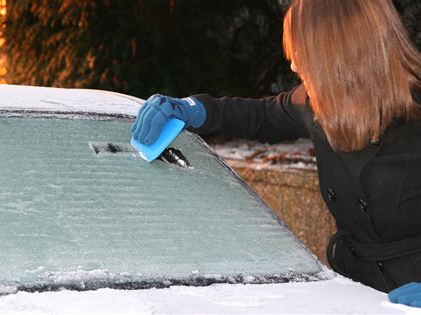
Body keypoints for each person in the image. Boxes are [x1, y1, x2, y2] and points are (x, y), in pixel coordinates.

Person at [131, 0, 421, 308]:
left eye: (304, 52)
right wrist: (190, 109)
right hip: (356, 290)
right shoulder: (316, 104)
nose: (294, 66)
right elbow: (259, 116)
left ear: (341, 50)